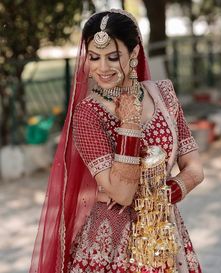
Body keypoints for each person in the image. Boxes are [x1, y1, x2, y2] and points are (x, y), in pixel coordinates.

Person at [29, 9, 204, 273]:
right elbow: (122, 193)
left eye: (113, 57)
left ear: (133, 54)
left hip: (164, 234)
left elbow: (195, 170)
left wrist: (157, 198)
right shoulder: (88, 114)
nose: (102, 67)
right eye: (94, 57)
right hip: (109, 245)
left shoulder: (164, 95)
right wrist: (130, 122)